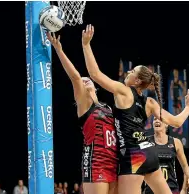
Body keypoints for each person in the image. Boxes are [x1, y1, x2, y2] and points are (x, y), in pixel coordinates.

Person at [81, 24, 189, 194]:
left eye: (132, 71)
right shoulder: (149, 102)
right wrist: (188, 106)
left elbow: (95, 74)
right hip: (149, 153)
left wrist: (86, 45)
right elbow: (177, 121)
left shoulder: (124, 91)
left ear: (136, 81)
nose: (128, 71)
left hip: (132, 156)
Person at [47, 32, 118, 194]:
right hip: (96, 162)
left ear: (95, 86)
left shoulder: (108, 108)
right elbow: (75, 77)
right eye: (83, 80)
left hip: (114, 162)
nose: (84, 80)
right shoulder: (85, 104)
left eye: (88, 79)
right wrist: (59, 49)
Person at [144, 117, 189, 194]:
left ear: (166, 124)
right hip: (151, 189)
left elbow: (185, 167)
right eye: (154, 119)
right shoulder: (146, 141)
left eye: (160, 119)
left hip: (171, 187)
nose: (157, 121)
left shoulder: (176, 142)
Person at [170, 69, 186, 135]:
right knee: (175, 114)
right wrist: (171, 95)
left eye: (176, 73)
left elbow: (184, 89)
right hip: (174, 100)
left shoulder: (179, 82)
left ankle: (181, 128)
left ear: (177, 74)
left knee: (179, 114)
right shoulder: (172, 81)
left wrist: (181, 96)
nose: (175, 74)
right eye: (174, 73)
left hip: (178, 100)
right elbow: (171, 89)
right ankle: (176, 127)